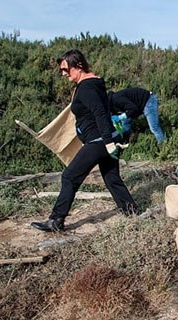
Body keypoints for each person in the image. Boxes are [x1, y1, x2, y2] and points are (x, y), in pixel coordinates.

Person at [31, 49, 138, 232]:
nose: (63, 73)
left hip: (99, 141)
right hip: (107, 139)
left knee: (69, 177)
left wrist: (107, 141)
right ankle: (132, 212)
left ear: (78, 66)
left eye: (66, 69)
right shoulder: (92, 84)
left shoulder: (87, 87)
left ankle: (56, 220)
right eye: (61, 70)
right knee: (112, 178)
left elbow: (100, 113)